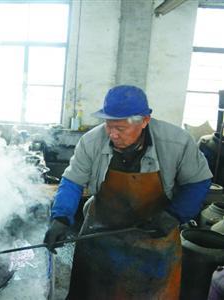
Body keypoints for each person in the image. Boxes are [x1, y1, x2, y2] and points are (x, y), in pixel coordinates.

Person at [44, 85, 212, 299]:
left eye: (121, 128)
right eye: (108, 125)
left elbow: (198, 182)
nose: (113, 134)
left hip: (155, 242)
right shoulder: (91, 141)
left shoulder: (176, 142)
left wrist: (174, 215)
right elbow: (72, 181)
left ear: (144, 121)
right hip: (101, 240)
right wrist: (61, 217)